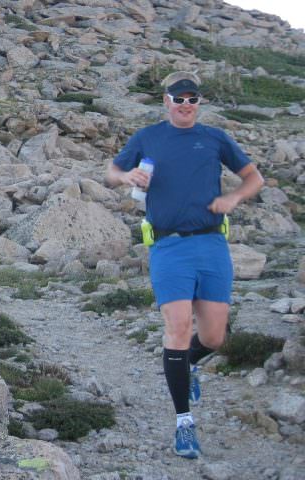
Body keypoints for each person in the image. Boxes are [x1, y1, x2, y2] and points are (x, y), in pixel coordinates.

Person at [105, 71, 264, 459]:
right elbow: (111, 172)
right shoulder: (148, 137)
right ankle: (184, 423)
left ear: (199, 103)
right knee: (176, 328)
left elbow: (253, 178)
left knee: (213, 338)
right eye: (179, 98)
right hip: (168, 247)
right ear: (166, 101)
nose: (186, 105)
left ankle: (188, 365)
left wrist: (232, 199)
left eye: (192, 98)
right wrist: (128, 175)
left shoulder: (214, 138)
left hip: (211, 244)